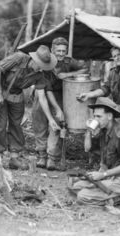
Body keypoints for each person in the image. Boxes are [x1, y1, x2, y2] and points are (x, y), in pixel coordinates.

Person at [0, 45, 61, 170]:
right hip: (1, 90)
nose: (40, 68)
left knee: (16, 126)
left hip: (16, 95)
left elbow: (42, 97)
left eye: (43, 67)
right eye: (39, 64)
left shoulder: (40, 75)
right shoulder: (19, 58)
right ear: (33, 59)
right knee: (0, 125)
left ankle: (14, 158)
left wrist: (50, 119)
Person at [32, 37, 88, 170]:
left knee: (56, 126)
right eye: (58, 51)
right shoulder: (44, 58)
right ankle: (41, 156)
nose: (61, 54)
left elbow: (85, 69)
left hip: (58, 96)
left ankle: (52, 158)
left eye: (64, 51)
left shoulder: (69, 61)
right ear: (52, 50)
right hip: (41, 94)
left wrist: (68, 75)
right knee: (40, 125)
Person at [71, 97, 120, 205]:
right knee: (75, 186)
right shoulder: (103, 130)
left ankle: (116, 198)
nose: (96, 119)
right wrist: (89, 131)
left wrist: (103, 174)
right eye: (95, 116)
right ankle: (113, 196)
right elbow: (87, 148)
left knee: (82, 196)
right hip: (108, 176)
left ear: (110, 116)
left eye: (99, 116)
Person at [78, 47, 120, 131]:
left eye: (119, 54)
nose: (117, 58)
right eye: (114, 56)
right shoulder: (113, 72)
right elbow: (105, 89)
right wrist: (89, 95)